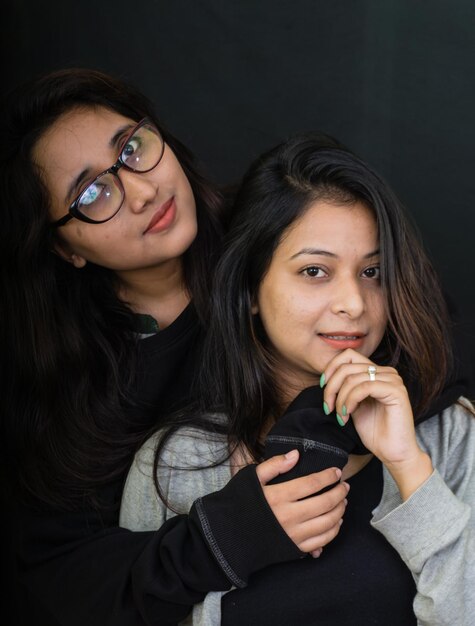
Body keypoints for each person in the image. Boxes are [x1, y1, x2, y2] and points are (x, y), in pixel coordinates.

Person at [0, 71, 350, 626]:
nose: (142, 191)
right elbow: (59, 581)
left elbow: (409, 324)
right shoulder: (58, 382)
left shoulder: (271, 234)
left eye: (132, 148)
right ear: (64, 248)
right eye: (92, 193)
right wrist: (221, 538)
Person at [121, 132, 475, 625]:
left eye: (373, 271)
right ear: (249, 290)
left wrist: (408, 465)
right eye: (314, 271)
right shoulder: (179, 463)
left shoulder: (447, 436)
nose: (353, 302)